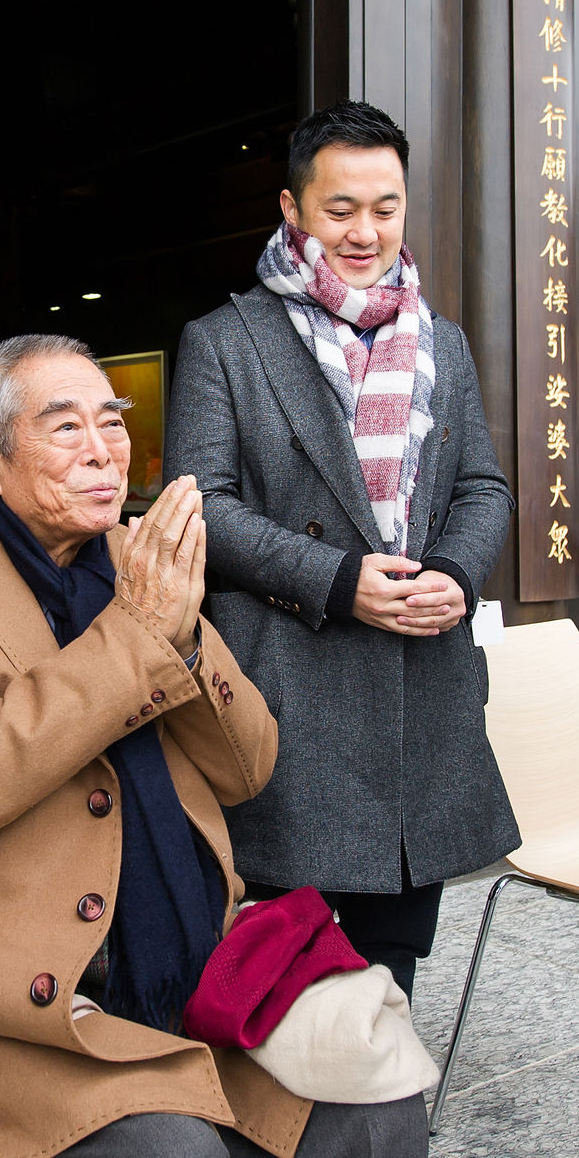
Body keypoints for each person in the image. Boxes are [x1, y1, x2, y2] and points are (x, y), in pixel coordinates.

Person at [0, 334, 430, 1158]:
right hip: (18, 988)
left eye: (112, 422)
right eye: (65, 426)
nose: (103, 449)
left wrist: (183, 641)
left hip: (195, 957)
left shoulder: (139, 563)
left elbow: (248, 767)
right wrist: (134, 638)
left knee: (374, 1104)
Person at [165, 101, 518, 1006]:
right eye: (341, 209)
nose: (366, 231)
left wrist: (454, 572)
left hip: (418, 687)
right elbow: (204, 505)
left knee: (390, 960)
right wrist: (335, 579)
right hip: (293, 686)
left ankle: (375, 1089)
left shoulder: (441, 340)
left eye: (385, 208)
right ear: (293, 208)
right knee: (282, 957)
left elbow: (483, 486)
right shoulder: (226, 340)